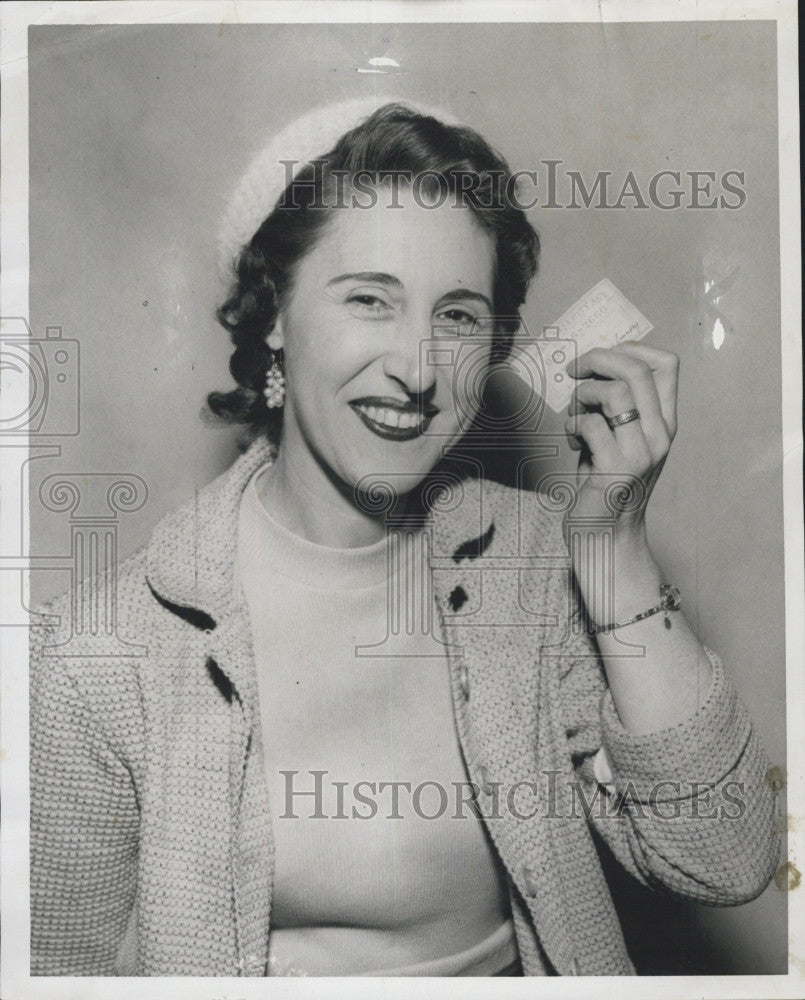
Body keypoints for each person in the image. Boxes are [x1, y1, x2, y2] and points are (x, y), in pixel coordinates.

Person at [30, 101, 780, 977]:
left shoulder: (538, 576)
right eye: (369, 300)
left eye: (457, 317)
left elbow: (724, 859)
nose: (418, 370)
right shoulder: (103, 653)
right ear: (274, 313)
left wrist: (611, 549)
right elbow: (54, 971)